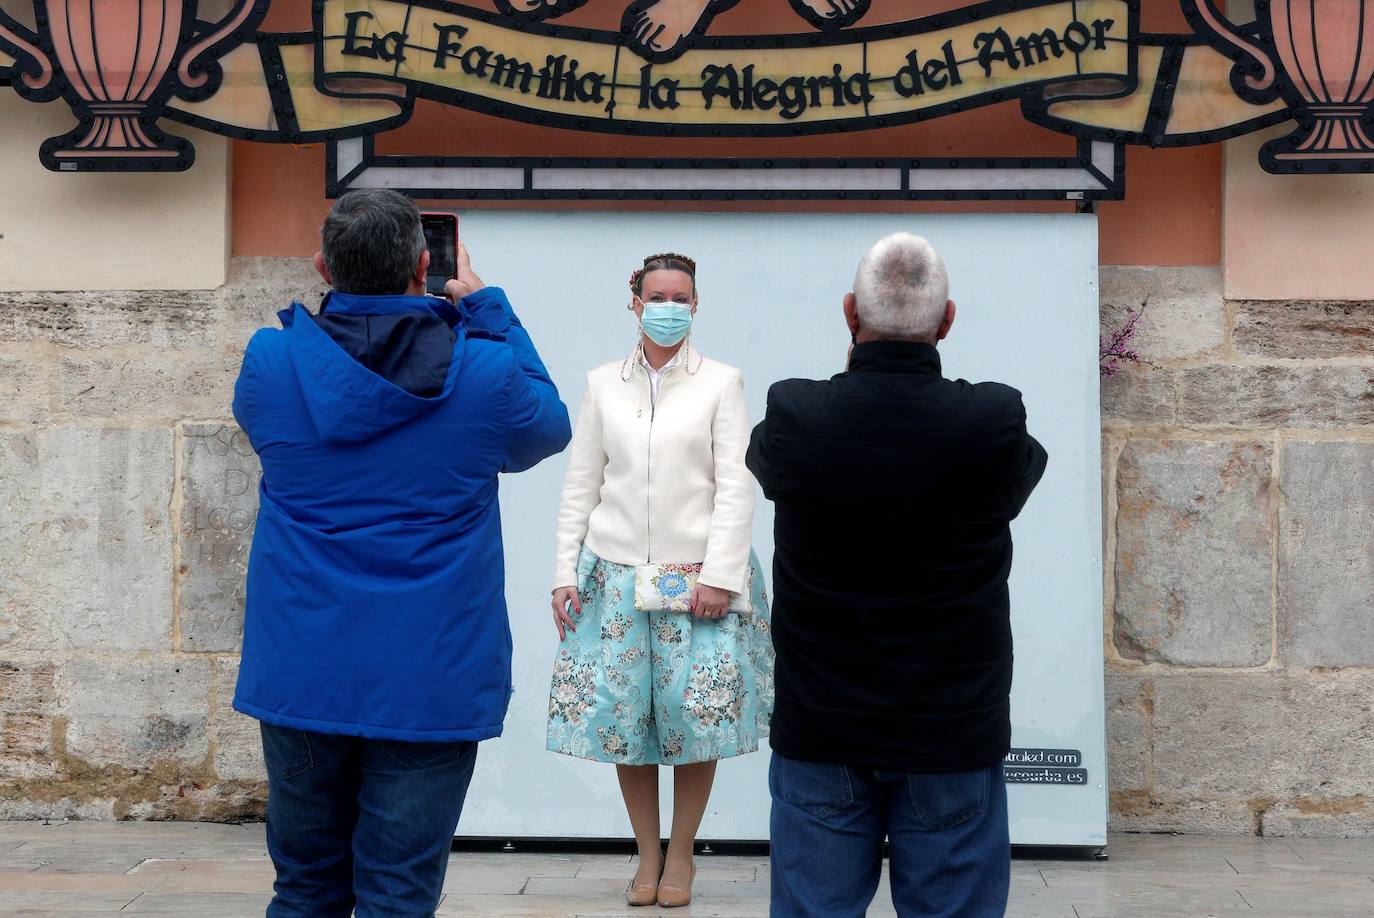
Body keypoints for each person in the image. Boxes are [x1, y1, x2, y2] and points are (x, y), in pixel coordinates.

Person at [231, 189, 571, 917]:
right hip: (430, 673)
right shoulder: (481, 373)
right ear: (426, 264)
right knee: (398, 895)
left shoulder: (270, 361)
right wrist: (488, 307)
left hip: (303, 667)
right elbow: (548, 428)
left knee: (305, 889)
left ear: (323, 264)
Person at [747, 233, 1048, 918]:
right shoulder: (992, 419)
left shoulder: (797, 414)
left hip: (822, 728)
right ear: (947, 322)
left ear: (849, 313)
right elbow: (1017, 480)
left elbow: (771, 464)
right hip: (951, 731)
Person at [546, 253, 774, 909]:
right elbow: (580, 487)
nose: (668, 305)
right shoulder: (601, 383)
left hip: (697, 577)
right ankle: (646, 853)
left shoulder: (721, 382)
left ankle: (683, 853)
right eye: (656, 294)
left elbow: (736, 486)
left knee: (692, 717)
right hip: (615, 577)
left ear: (696, 305)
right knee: (628, 719)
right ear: (635, 302)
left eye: (681, 295)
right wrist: (566, 570)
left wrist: (724, 575)